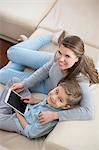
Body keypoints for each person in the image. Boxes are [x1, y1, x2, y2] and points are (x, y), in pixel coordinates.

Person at [0, 34, 99, 124]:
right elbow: (45, 69)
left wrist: (56, 115)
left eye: (67, 56)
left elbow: (88, 112)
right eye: (60, 52)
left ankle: (24, 49)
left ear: (77, 58)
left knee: (2, 74)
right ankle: (49, 37)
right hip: (47, 63)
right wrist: (25, 84)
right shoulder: (57, 57)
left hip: (45, 86)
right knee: (12, 52)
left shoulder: (81, 79)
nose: (61, 59)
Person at [0, 77, 82, 139]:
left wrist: (18, 114)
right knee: (15, 80)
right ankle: (5, 108)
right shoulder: (52, 101)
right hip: (28, 107)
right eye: (56, 91)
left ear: (65, 106)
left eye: (60, 100)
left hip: (21, 123)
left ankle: (4, 110)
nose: (53, 97)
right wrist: (35, 101)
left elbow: (30, 133)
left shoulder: (47, 119)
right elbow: (45, 103)